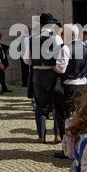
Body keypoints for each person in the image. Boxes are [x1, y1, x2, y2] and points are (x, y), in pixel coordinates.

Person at [23, 13, 62, 143]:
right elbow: (61, 58)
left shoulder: (32, 39)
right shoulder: (56, 39)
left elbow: (27, 60)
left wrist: (37, 62)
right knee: (56, 105)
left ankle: (41, 135)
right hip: (52, 74)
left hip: (37, 75)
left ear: (40, 24)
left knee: (40, 105)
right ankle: (57, 135)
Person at [54, 24, 87, 157]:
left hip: (70, 86)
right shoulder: (85, 48)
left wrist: (54, 68)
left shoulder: (66, 48)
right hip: (83, 86)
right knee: (80, 117)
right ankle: (80, 146)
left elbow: (61, 69)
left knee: (67, 118)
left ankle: (68, 150)